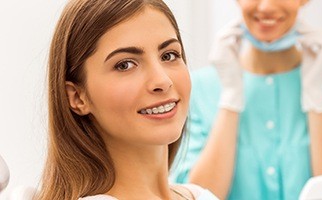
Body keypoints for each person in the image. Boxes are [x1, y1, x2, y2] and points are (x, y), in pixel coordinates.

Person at [35, 0, 219, 199]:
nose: (162, 81)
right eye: (125, 65)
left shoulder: (198, 195)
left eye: (169, 55)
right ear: (78, 97)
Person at [171, 0, 322, 199]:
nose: (266, 7)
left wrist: (317, 101)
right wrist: (230, 100)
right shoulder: (198, 90)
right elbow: (196, 196)